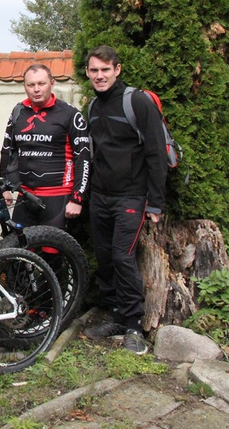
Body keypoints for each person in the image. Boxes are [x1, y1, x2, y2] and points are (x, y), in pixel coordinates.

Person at [81, 45, 167, 355]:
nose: (100, 75)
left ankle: (134, 326)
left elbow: (156, 153)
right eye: (94, 70)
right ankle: (115, 316)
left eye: (105, 69)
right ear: (88, 73)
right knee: (104, 258)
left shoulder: (137, 102)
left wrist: (156, 202)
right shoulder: (93, 106)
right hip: (100, 197)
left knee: (122, 256)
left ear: (117, 69)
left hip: (131, 196)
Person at [0, 64, 90, 228]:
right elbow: (7, 150)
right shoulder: (18, 111)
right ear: (25, 86)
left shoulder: (69, 114)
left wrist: (77, 198)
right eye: (31, 85)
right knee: (20, 251)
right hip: (25, 195)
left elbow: (83, 158)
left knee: (52, 252)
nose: (36, 89)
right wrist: (3, 186)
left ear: (52, 83)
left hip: (58, 196)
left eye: (41, 84)